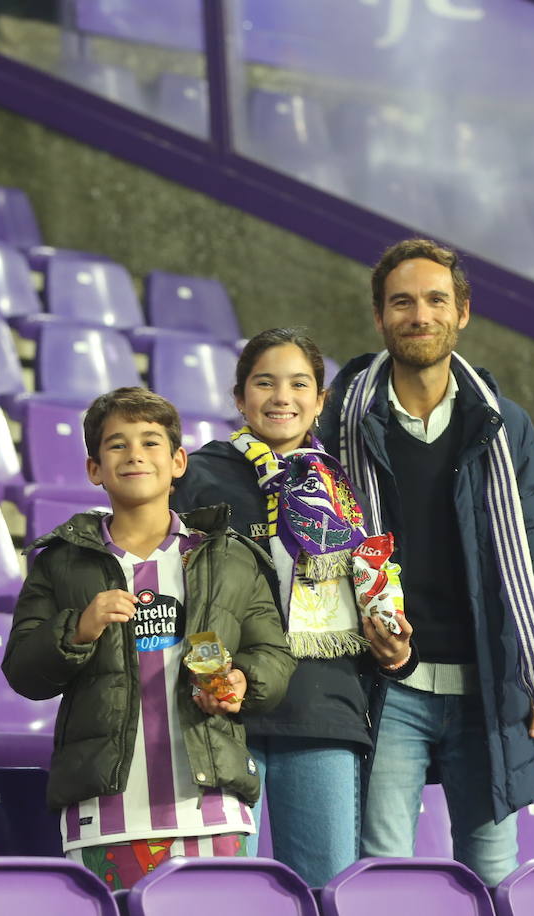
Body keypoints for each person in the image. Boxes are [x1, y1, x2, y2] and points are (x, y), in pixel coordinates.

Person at [317, 238, 534, 886]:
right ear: (380, 317)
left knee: (494, 875)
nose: (418, 315)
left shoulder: (503, 424)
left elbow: (528, 554)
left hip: (485, 686)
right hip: (390, 681)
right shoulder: (343, 418)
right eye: (402, 302)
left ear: (462, 313)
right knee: (383, 871)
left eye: (435, 301)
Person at [1, 387, 296, 891]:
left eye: (151, 442)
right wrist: (78, 629)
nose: (135, 454)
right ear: (94, 468)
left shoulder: (229, 556)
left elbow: (274, 654)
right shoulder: (60, 562)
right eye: (117, 445)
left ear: (179, 461)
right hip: (104, 811)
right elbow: (24, 671)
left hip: (212, 809)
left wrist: (244, 681)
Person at [172, 327, 417, 887]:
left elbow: (378, 582)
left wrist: (397, 644)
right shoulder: (197, 475)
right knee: (229, 895)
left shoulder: (348, 483)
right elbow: (178, 594)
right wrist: (207, 673)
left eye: (298, 383)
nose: (282, 396)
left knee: (325, 888)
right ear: (239, 398)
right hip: (225, 711)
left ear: (320, 400)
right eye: (264, 382)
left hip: (322, 707)